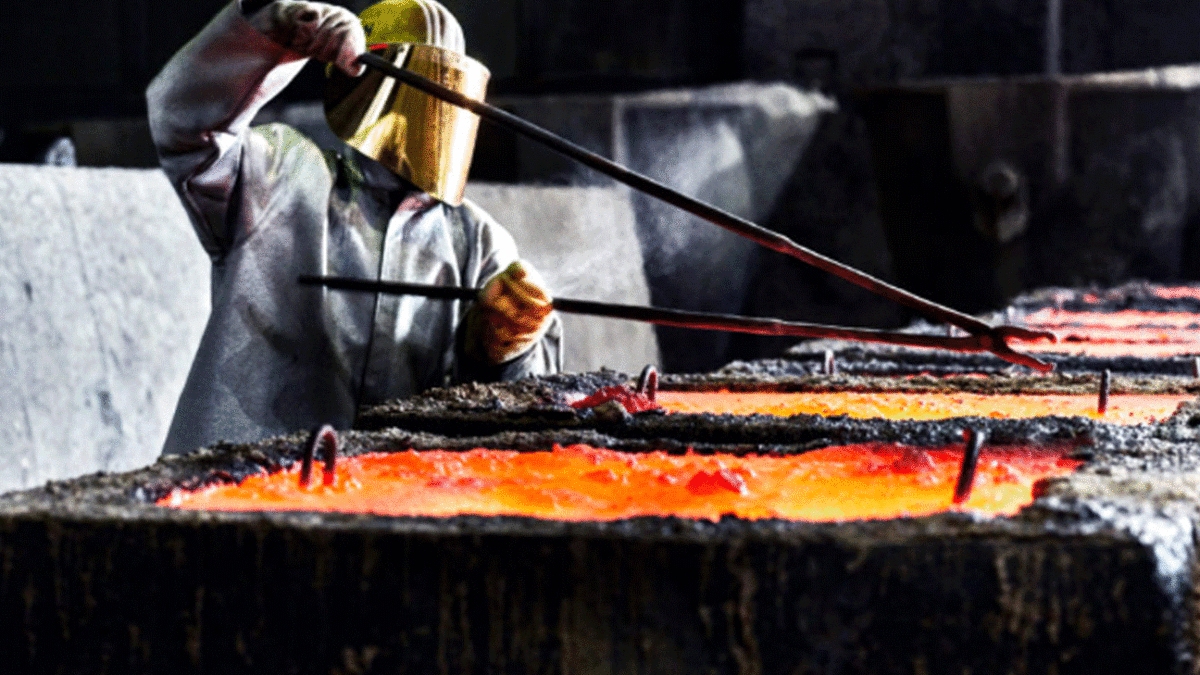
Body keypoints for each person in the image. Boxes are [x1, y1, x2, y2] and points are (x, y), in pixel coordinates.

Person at [148, 0, 562, 455]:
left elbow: (527, 427)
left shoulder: (481, 245)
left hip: (396, 492)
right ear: (363, 78)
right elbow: (182, 119)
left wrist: (502, 354)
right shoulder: (279, 179)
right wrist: (276, 32)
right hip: (244, 481)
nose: (432, 112)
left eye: (448, 91)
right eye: (421, 84)